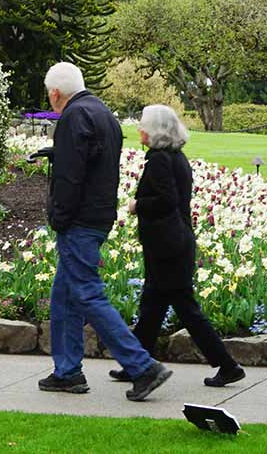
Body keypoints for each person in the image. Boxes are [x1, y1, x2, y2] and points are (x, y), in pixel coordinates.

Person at [37, 61, 172, 401]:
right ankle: (67, 372)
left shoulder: (72, 117)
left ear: (55, 93)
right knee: (64, 296)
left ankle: (143, 367)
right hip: (98, 215)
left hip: (79, 220)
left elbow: (71, 176)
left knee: (87, 293)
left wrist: (59, 217)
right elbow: (92, 160)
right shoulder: (102, 113)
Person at [119, 104, 245, 389]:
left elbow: (166, 201)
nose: (139, 128)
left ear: (156, 131)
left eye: (144, 124)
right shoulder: (175, 157)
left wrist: (136, 205)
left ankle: (228, 365)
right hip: (172, 244)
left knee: (186, 310)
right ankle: (137, 364)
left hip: (168, 247)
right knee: (151, 307)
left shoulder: (161, 160)